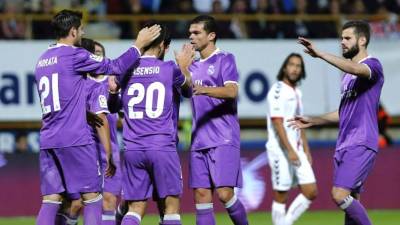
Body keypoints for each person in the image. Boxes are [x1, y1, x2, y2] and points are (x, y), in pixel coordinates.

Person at [34, 9, 160, 225]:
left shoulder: (42, 59)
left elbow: (62, 97)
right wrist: (138, 45)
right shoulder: (75, 55)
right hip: (74, 138)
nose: (82, 32)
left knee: (51, 199)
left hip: (48, 139)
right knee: (93, 198)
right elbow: (114, 67)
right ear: (73, 31)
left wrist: (82, 113)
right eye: (81, 29)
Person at [292, 20, 384, 225]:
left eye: (347, 38)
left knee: (339, 194)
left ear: (362, 40)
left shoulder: (373, 65)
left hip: (361, 141)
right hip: (344, 143)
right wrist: (315, 120)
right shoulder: (346, 77)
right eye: (341, 38)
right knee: (351, 202)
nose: (342, 42)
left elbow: (356, 69)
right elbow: (344, 112)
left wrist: (321, 54)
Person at [108, 21, 193, 225]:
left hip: (133, 149)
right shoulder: (169, 69)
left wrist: (112, 93)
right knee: (171, 209)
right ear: (163, 45)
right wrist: (184, 67)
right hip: (162, 147)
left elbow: (113, 107)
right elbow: (189, 91)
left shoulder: (126, 72)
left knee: (135, 208)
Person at [187, 15, 248, 225]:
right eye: (190, 33)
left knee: (224, 194)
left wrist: (204, 89)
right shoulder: (191, 67)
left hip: (223, 136)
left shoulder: (225, 59)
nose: (191, 37)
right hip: (198, 140)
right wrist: (181, 67)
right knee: (202, 196)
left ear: (211, 35)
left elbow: (232, 91)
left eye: (196, 33)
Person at [266, 53, 318, 225]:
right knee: (281, 194)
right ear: (285, 67)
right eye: (291, 64)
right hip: (280, 150)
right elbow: (277, 123)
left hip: (297, 149)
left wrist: (306, 149)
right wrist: (290, 151)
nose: (295, 68)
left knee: (311, 191)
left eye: (298, 66)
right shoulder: (278, 90)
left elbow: (299, 122)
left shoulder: (297, 92)